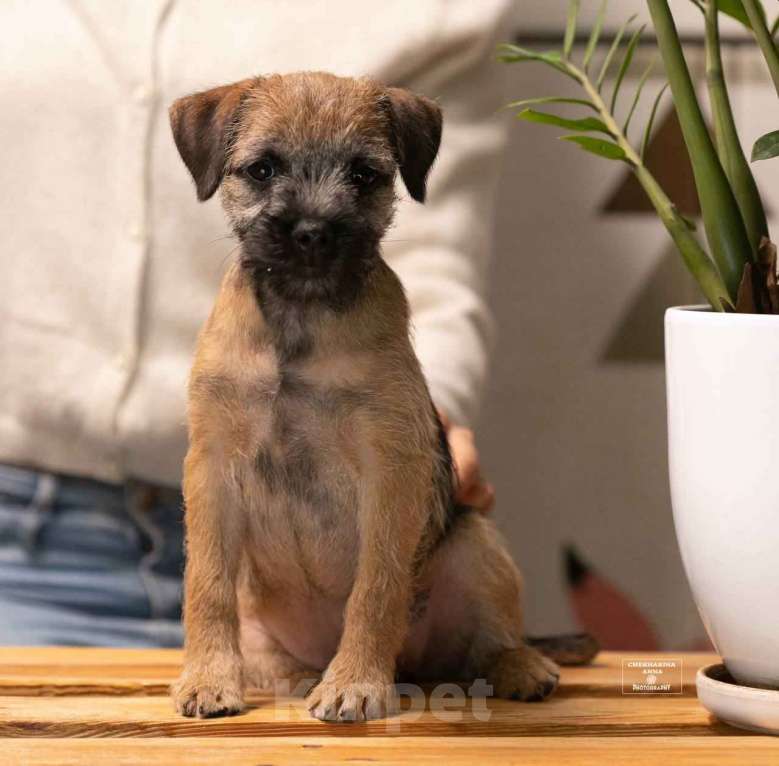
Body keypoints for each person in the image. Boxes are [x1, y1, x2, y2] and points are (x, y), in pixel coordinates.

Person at [0, 0, 511, 646]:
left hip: (330, 543)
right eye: (263, 172)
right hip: (26, 542)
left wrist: (419, 424)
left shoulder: (439, 12)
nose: (314, 221)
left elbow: (438, 262)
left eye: (360, 176)